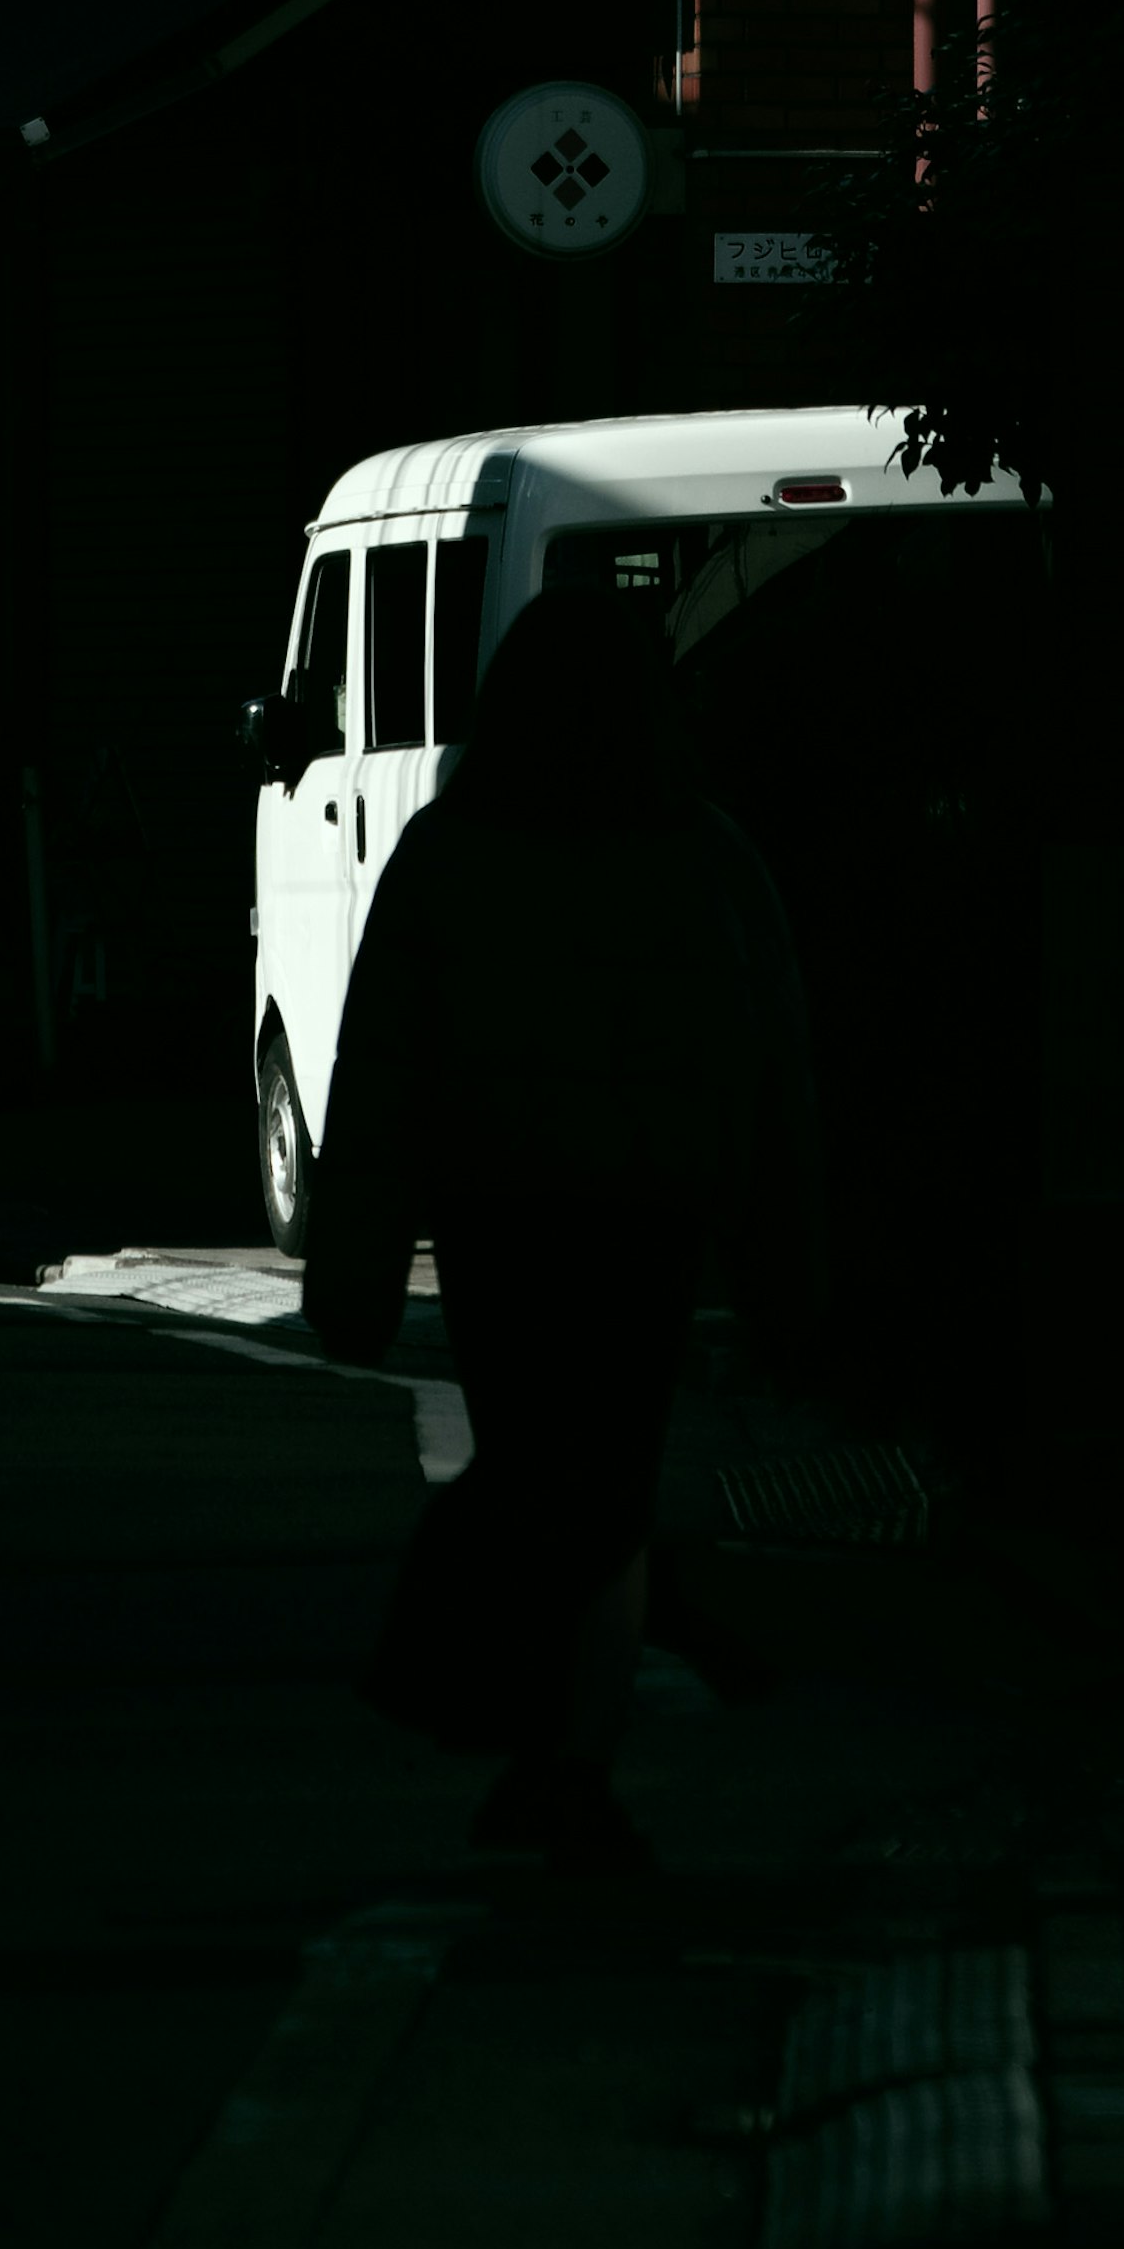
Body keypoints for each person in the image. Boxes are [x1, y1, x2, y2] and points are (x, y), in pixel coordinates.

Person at [302, 560, 826, 1869]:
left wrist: (357, 1266)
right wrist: (786, 1265)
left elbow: (380, 1070)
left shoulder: (449, 854)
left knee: (543, 1458)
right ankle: (573, 1748)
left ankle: (551, 1741)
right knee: (604, 1475)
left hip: (498, 1218)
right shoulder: (707, 855)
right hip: (648, 1220)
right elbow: (777, 1069)